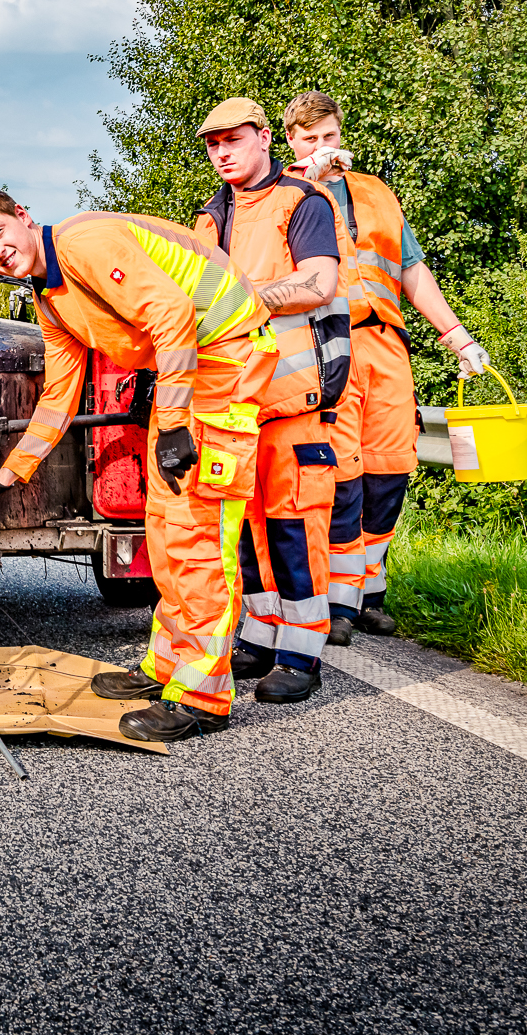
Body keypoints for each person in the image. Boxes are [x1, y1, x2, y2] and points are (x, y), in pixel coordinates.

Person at [0, 189, 277, 743]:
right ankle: (167, 668)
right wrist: (6, 477)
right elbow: (58, 397)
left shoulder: (83, 243)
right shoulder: (51, 299)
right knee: (164, 531)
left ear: (23, 218)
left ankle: (202, 696)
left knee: (197, 540)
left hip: (224, 367)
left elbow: (171, 314)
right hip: (192, 380)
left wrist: (172, 421)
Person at [281, 90, 491, 636]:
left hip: (387, 344)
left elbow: (412, 271)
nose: (322, 147)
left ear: (341, 135)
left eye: (329, 137)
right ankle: (338, 604)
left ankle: (369, 588)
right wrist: (311, 180)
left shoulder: (377, 193)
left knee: (391, 469)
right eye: (309, 140)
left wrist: (457, 336)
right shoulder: (282, 196)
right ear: (290, 143)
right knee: (342, 474)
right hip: (324, 345)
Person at [194, 97, 352, 703]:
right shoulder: (207, 220)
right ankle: (259, 638)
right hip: (235, 406)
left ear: (265, 138)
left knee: (293, 530)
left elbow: (319, 281)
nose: (223, 152)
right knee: (246, 533)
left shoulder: (302, 202)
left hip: (295, 401)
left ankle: (302, 653)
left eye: (234, 139)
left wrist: (243, 297)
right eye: (213, 144)